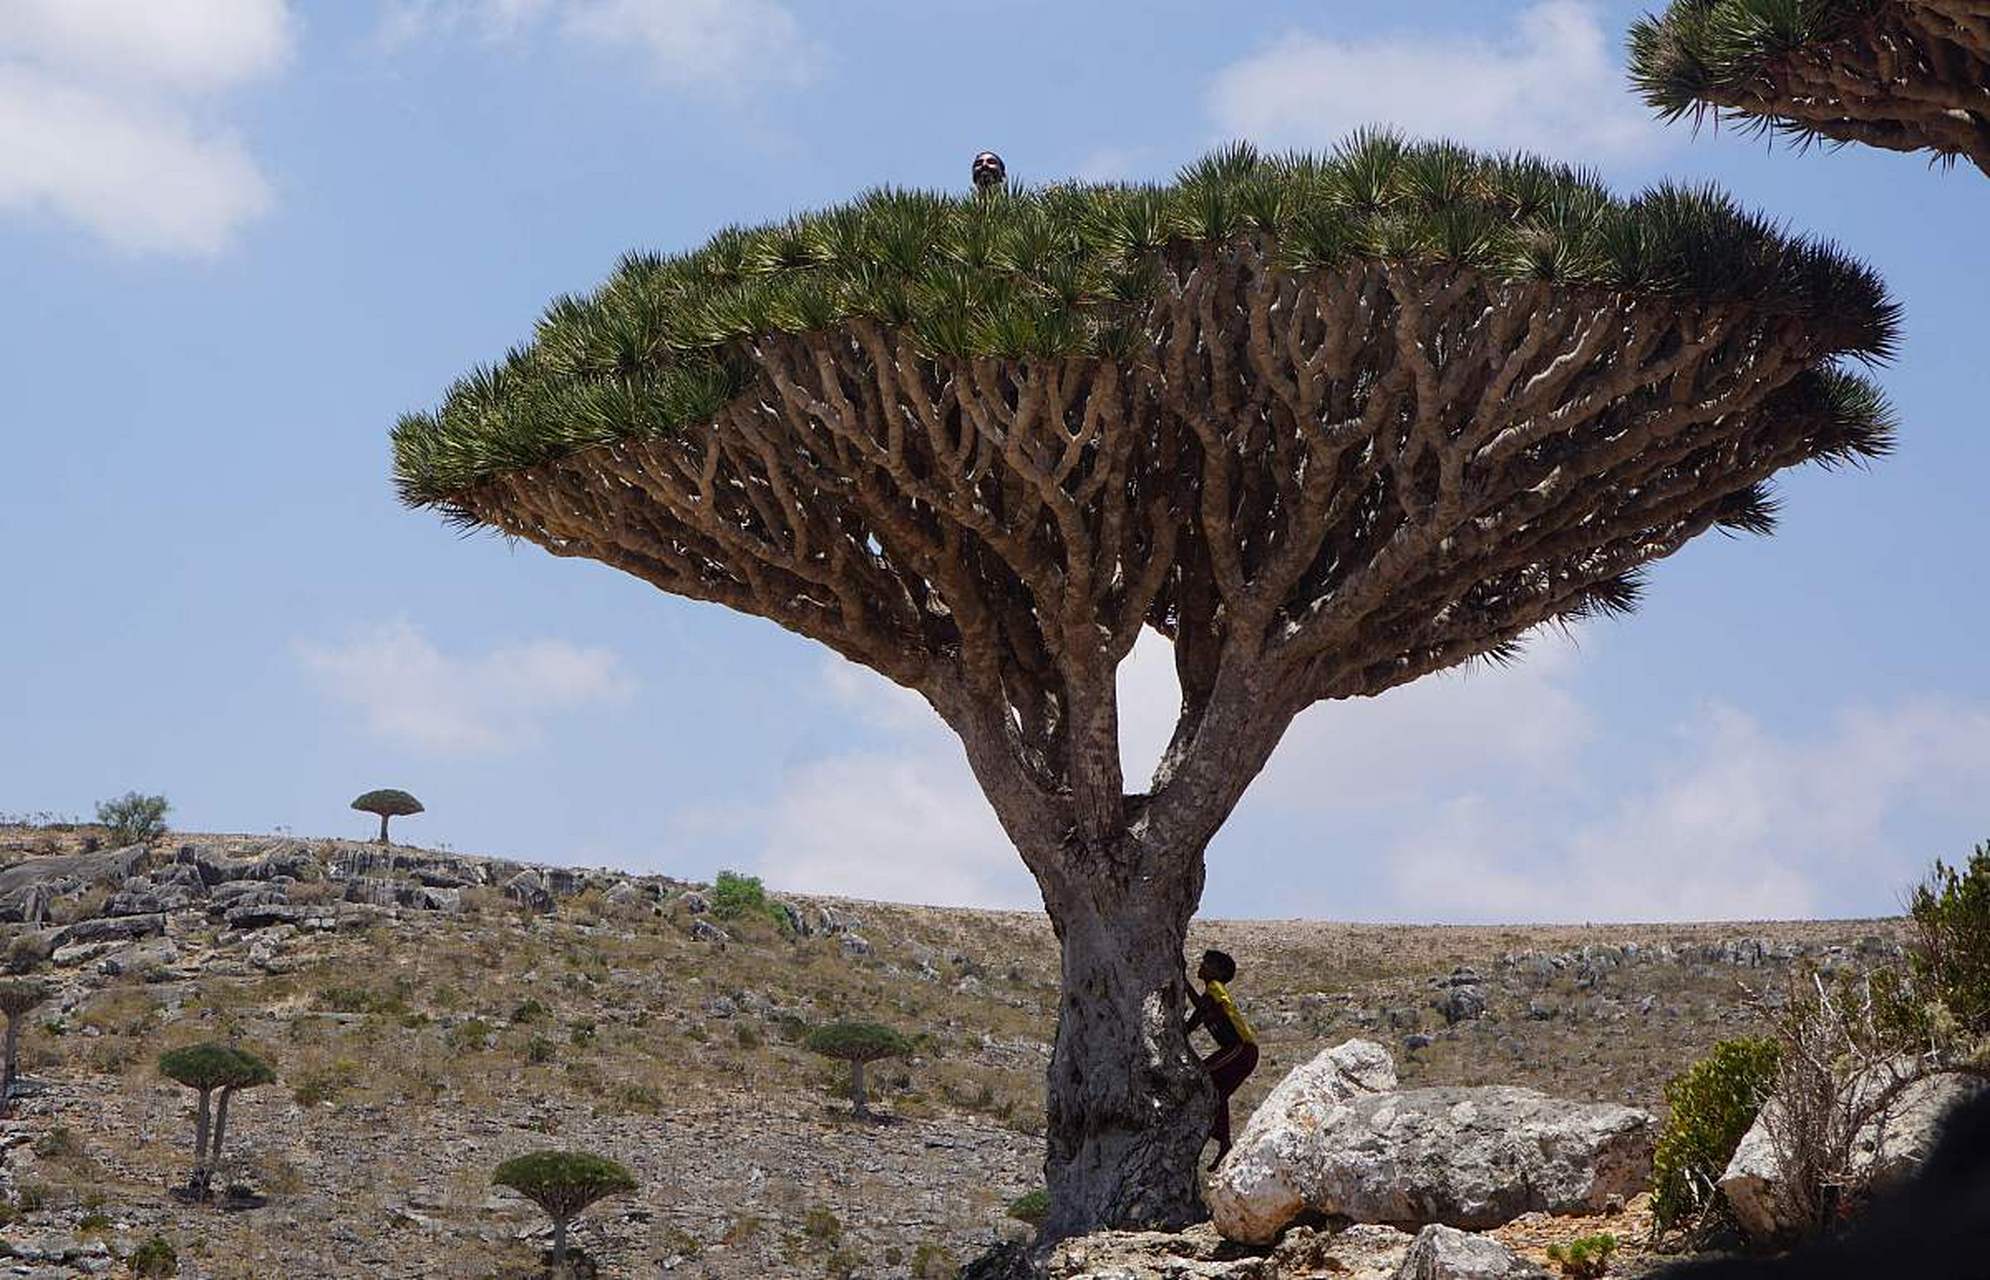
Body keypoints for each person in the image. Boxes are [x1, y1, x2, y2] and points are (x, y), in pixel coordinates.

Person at [1184, 947, 1258, 1171]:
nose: (1201, 964)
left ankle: (1218, 1137)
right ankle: (1224, 1142)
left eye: (1207, 963)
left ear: (1217, 972)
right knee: (1218, 1092)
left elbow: (1197, 1017)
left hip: (1241, 1049)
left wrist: (1184, 983)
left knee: (1204, 1076)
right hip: (1241, 1052)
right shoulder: (1212, 995)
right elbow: (1199, 1015)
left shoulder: (1214, 989)